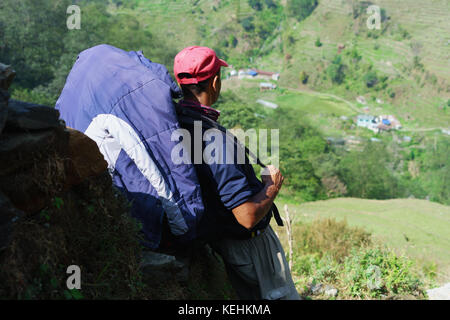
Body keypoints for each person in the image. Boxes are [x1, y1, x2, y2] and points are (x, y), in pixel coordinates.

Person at [173, 46, 300, 300]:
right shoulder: (214, 141)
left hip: (221, 242)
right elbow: (247, 216)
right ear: (215, 82)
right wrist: (271, 186)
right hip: (251, 248)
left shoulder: (177, 121)